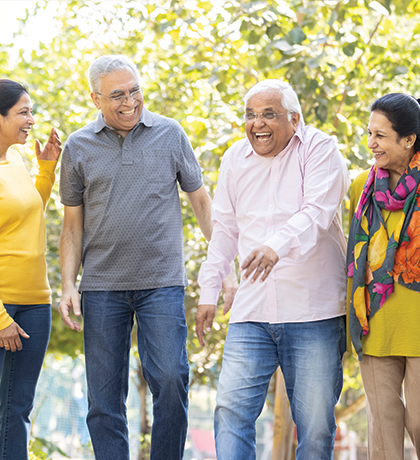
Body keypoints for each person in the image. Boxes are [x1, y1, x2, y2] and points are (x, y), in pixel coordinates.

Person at [58, 54, 235, 460]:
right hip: (101, 287)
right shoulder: (78, 145)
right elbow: (71, 224)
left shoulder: (170, 134)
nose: (129, 101)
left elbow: (202, 204)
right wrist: (69, 283)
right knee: (104, 399)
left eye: (134, 90)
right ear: (95, 99)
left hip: (162, 283)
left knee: (172, 379)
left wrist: (225, 267)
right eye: (117, 95)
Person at [196, 79, 350, 460]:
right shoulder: (234, 158)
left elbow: (317, 212)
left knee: (314, 425)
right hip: (252, 310)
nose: (257, 124)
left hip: (314, 311)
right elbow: (225, 229)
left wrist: (275, 247)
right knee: (230, 410)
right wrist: (208, 292)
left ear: (294, 119)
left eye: (269, 114)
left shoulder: (321, 149)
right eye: (250, 115)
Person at [347, 93, 420, 460]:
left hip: (418, 321)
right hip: (375, 320)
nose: (371, 144)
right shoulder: (362, 187)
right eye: (370, 134)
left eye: (381, 136)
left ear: (408, 139)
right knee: (383, 431)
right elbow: (354, 255)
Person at [0, 79, 61, 459]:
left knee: (17, 410)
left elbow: (28, 213)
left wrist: (46, 170)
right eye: (23, 112)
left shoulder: (15, 160)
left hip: (35, 304)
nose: (32, 121)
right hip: (3, 308)